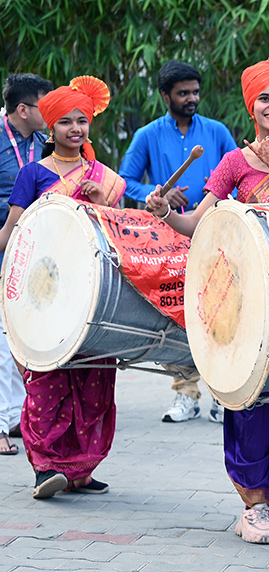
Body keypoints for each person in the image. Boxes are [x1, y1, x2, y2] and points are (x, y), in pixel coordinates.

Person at [146, 52, 269, 544]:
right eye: (265, 99)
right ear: (252, 105)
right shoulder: (231, 162)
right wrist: (165, 212)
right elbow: (199, 225)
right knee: (251, 399)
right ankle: (253, 506)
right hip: (246, 297)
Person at [0, 76, 126, 496]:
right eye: (66, 122)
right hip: (47, 291)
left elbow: (122, 234)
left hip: (92, 292)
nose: (76, 129)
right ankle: (45, 467)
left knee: (94, 381)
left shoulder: (102, 177)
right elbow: (15, 232)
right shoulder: (32, 174)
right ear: (49, 128)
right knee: (47, 379)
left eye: (83, 121)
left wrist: (102, 205)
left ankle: (82, 468)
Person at [118, 59, 238, 424]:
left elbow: (238, 172)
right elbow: (125, 181)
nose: (191, 98)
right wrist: (159, 193)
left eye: (195, 92)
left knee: (220, 309)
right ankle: (185, 393)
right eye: (183, 93)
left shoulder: (216, 131)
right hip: (168, 237)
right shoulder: (147, 135)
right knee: (176, 314)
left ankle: (223, 394)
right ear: (164, 95)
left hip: (214, 232)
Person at [0, 72, 52, 456]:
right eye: (45, 106)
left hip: (36, 250)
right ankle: (1, 423)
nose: (53, 114)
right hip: (3, 245)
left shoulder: (44, 143)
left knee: (22, 335)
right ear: (23, 109)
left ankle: (16, 415)